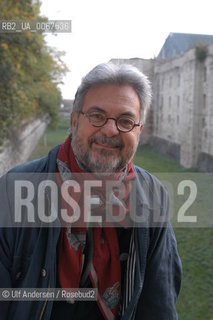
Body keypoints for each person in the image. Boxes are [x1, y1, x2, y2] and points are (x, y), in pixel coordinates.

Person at [0, 62, 182, 319]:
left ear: (139, 132)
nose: (110, 129)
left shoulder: (153, 199)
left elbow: (158, 307)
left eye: (126, 121)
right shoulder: (12, 191)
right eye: (97, 115)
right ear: (74, 121)